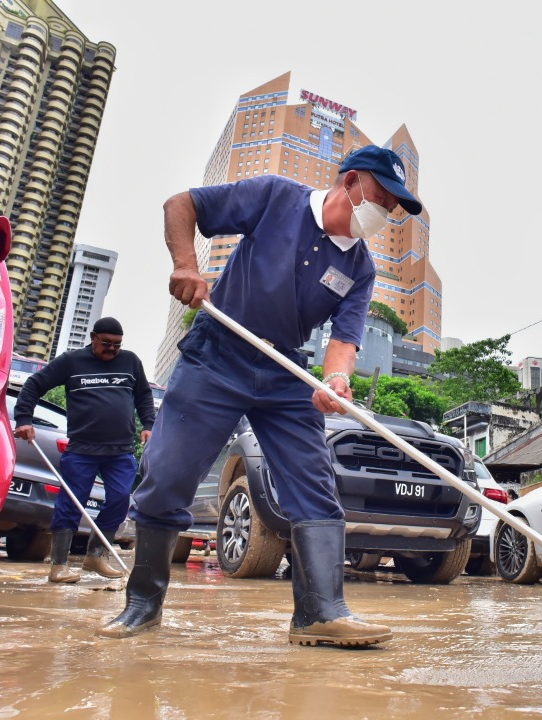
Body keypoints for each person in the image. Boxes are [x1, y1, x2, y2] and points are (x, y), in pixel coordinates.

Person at [98, 145, 424, 646]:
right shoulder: (276, 197)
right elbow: (181, 205)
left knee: (315, 486)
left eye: (394, 209)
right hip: (218, 353)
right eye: (382, 199)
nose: (386, 214)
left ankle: (320, 613)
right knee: (167, 474)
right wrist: (186, 265)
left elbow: (343, 340)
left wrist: (336, 381)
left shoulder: (360, 268)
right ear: (352, 181)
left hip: (286, 371)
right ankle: (143, 602)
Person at [14, 317, 156, 583]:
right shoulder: (72, 361)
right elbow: (34, 385)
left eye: (117, 344)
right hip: (82, 448)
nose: (112, 349)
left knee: (120, 499)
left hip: (120, 450)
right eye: (106, 343)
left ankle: (96, 556)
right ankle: (59, 565)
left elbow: (144, 395)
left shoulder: (130, 361)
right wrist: (24, 419)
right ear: (93, 337)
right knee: (70, 503)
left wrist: (149, 424)